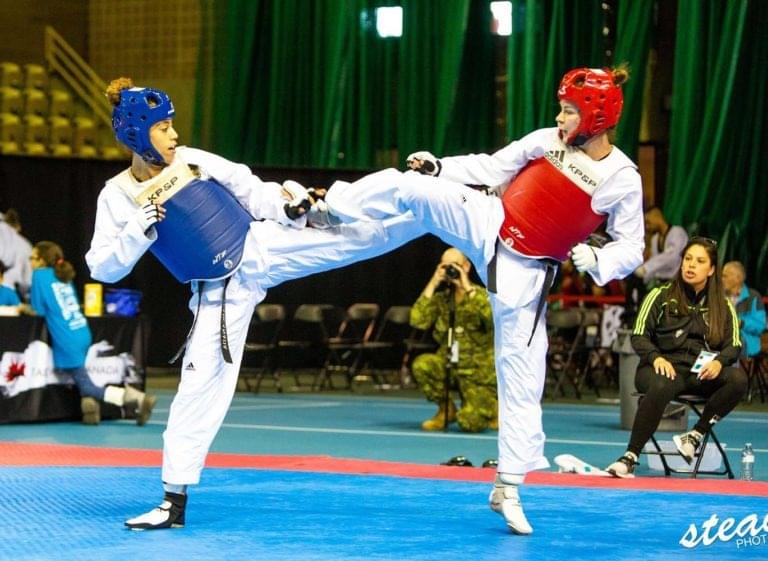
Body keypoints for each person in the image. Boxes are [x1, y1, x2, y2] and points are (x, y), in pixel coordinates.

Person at [86, 78, 423, 530]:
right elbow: (102, 267)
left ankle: (427, 202)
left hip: (260, 245)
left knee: (357, 238)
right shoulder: (118, 195)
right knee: (197, 388)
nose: (174, 135)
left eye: (172, 125)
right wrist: (136, 232)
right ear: (136, 133)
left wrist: (286, 208)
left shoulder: (194, 160)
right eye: (163, 128)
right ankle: (173, 503)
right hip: (217, 293)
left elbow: (251, 188)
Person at [325, 66, 644, 534]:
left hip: (527, 270)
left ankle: (507, 487)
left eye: (569, 111)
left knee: (521, 377)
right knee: (411, 186)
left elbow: (632, 247)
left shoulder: (622, 177)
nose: (559, 118)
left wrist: (598, 259)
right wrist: (441, 168)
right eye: (561, 109)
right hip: (490, 220)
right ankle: (330, 206)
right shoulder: (546, 140)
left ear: (597, 118)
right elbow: (492, 167)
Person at [605, 238, 747, 477]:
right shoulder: (659, 295)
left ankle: (695, 435)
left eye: (699, 261)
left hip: (698, 374)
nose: (691, 265)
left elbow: (734, 345)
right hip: (659, 369)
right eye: (688, 259)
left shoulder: (723, 305)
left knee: (738, 379)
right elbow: (638, 335)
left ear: (711, 270)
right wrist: (655, 357)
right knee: (663, 384)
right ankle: (630, 457)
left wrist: (718, 362)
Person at [23, 241, 156, 426]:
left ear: (42, 260)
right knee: (81, 378)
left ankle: (137, 399)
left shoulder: (39, 275)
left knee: (86, 384)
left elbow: (38, 309)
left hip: (67, 339)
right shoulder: (61, 274)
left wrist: (21, 308)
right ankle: (90, 411)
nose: (30, 261)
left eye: (33, 257)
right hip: (81, 332)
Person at [410, 247, 497, 432]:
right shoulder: (442, 299)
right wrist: (433, 282)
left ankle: (494, 408)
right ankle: (446, 409)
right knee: (423, 364)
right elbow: (418, 320)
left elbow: (492, 320)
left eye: (455, 265)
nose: (450, 270)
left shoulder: (482, 295)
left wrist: (467, 287)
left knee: (469, 423)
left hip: (478, 372)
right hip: (449, 363)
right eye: (445, 266)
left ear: (466, 266)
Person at [634, 206, 688, 286]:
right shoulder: (655, 239)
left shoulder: (677, 232)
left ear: (657, 216)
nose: (647, 227)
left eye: (648, 222)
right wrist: (644, 277)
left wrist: (646, 268)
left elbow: (672, 258)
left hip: (678, 283)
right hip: (662, 283)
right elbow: (656, 265)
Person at [722, 261, 766, 359]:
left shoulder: (753, 297)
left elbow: (761, 326)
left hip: (746, 342)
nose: (722, 279)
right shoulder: (719, 296)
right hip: (723, 339)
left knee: (732, 345)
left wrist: (741, 323)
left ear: (738, 278)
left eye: (725, 276)